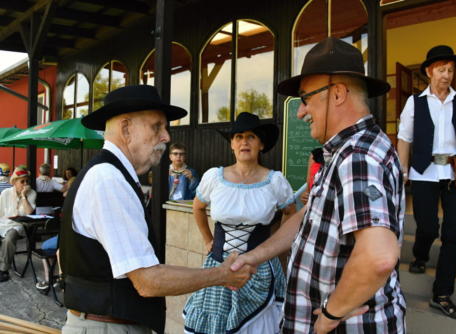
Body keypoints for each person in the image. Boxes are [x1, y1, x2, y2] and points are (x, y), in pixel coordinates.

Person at [231, 37, 406, 334]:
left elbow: (379, 256)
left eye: (306, 99)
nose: (300, 112)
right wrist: (254, 256)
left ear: (337, 94)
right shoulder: (345, 152)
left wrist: (328, 315)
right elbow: (309, 216)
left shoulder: (357, 157)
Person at [59, 85, 254, 334]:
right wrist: (221, 275)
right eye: (157, 126)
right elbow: (147, 282)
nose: (166, 137)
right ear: (126, 129)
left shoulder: (109, 174)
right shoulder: (109, 179)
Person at [183, 112, 296, 334]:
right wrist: (208, 240)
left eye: (251, 136)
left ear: (261, 145)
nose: (244, 141)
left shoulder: (275, 181)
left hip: (260, 268)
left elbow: (290, 213)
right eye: (238, 137)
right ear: (232, 145)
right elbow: (198, 207)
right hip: (218, 266)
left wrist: (273, 245)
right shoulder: (214, 177)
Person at [397, 45, 456, 320]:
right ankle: (420, 255)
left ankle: (442, 294)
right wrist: (402, 171)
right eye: (441, 69)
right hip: (424, 173)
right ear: (429, 71)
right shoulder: (415, 102)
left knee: (454, 233)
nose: (446, 75)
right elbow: (404, 139)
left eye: (450, 70)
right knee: (428, 226)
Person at [0, 165, 37, 282]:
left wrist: (23, 196)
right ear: (14, 182)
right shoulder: (5, 193)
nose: (25, 184)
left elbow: (29, 213)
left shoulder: (31, 193)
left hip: (19, 226)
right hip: (3, 223)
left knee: (9, 238)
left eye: (27, 181)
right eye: (22, 181)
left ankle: (3, 269)